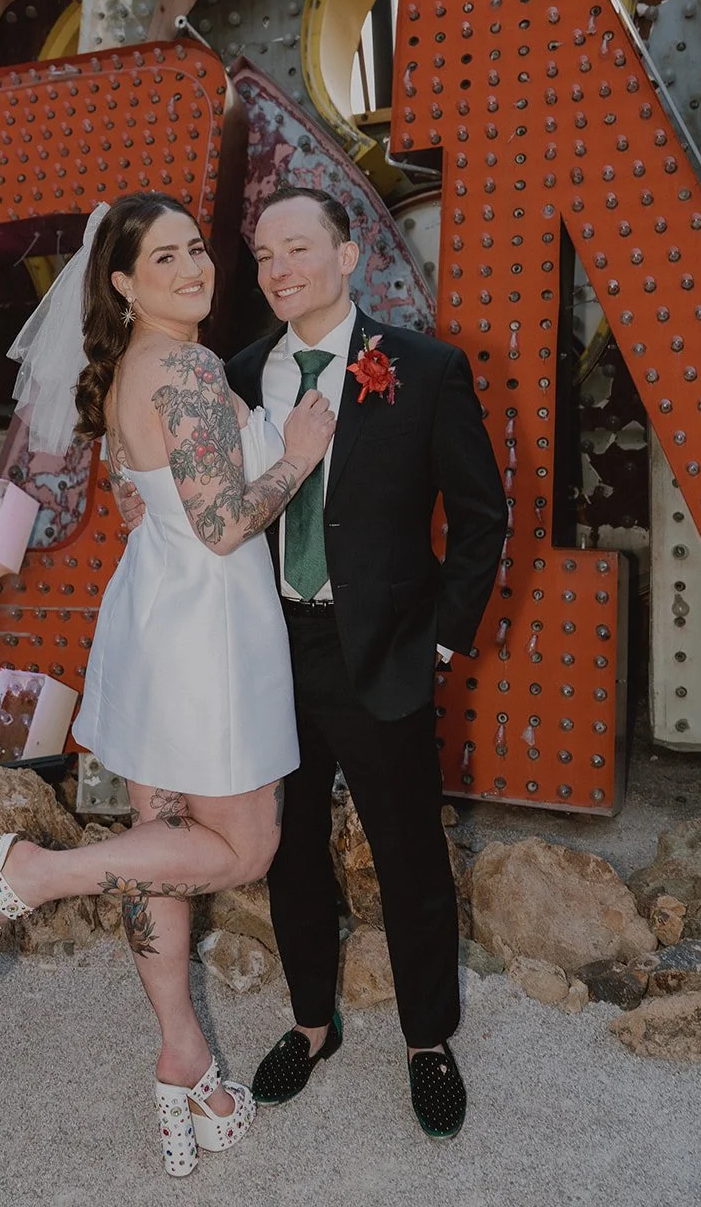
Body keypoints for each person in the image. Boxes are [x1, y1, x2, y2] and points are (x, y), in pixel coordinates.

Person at [0, 192, 335, 1178]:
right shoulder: (187, 369)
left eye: (196, 249)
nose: (194, 269)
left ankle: (183, 1060)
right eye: (164, 259)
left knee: (159, 848)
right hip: (210, 632)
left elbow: (129, 500)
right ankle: (29, 873)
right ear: (121, 282)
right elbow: (223, 525)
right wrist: (296, 456)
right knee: (242, 849)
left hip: (154, 616)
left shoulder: (124, 371)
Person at [228, 185, 508, 1141]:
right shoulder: (238, 374)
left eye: (297, 248)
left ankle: (427, 1040)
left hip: (383, 650)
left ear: (347, 256)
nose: (278, 270)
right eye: (263, 256)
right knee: (290, 848)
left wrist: (440, 639)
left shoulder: (423, 368)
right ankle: (311, 1023)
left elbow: (480, 517)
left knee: (408, 854)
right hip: (270, 648)